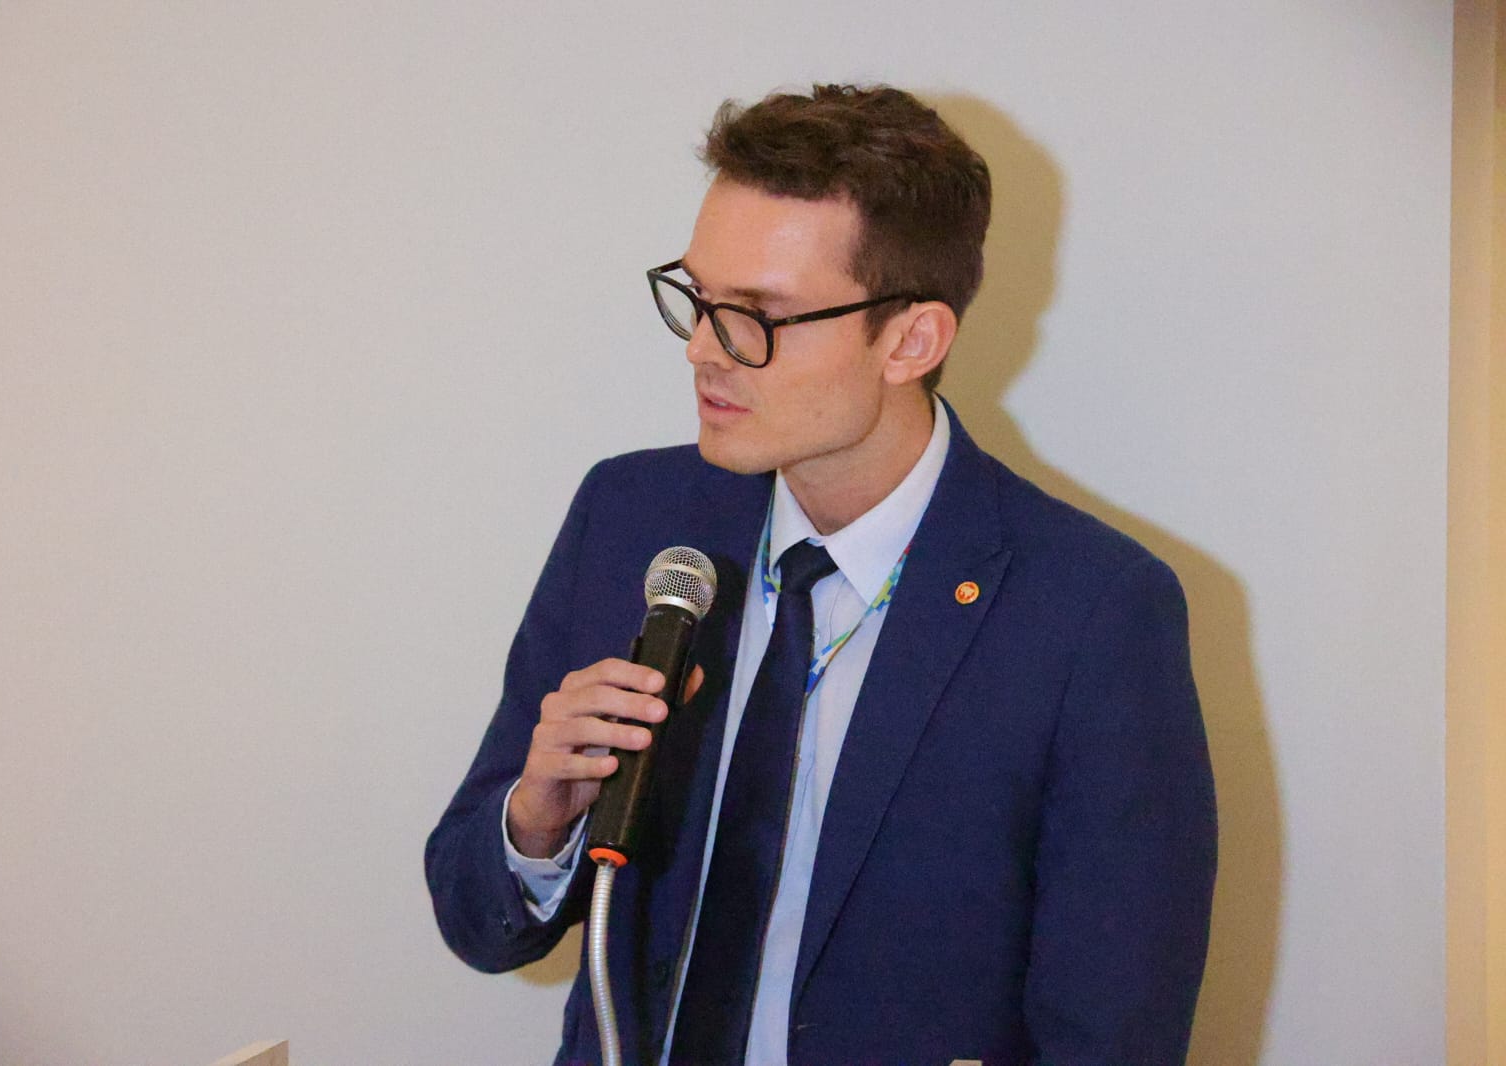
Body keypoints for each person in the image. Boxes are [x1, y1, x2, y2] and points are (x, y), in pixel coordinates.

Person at [426, 83, 1217, 1066]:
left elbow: (1111, 1032)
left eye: (759, 315)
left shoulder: (1091, 613)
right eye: (699, 297)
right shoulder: (632, 520)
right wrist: (539, 817)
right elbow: (478, 921)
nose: (705, 350)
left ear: (911, 340)